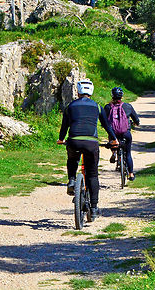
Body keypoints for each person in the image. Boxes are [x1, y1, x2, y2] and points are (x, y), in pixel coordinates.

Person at [57, 78, 117, 219]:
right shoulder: (97, 106)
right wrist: (114, 139)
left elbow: (64, 125)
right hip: (91, 143)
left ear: (78, 91)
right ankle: (94, 208)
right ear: (91, 91)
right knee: (92, 175)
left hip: (74, 141)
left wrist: (61, 139)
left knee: (72, 159)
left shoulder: (70, 106)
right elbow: (107, 125)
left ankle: (72, 180)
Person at [103, 86, 140, 181]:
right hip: (125, 133)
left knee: (112, 139)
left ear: (112, 96)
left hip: (113, 134)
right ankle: (131, 174)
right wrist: (136, 123)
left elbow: (104, 121)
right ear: (122, 96)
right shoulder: (128, 106)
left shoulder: (107, 107)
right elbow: (136, 119)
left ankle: (114, 151)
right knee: (128, 153)